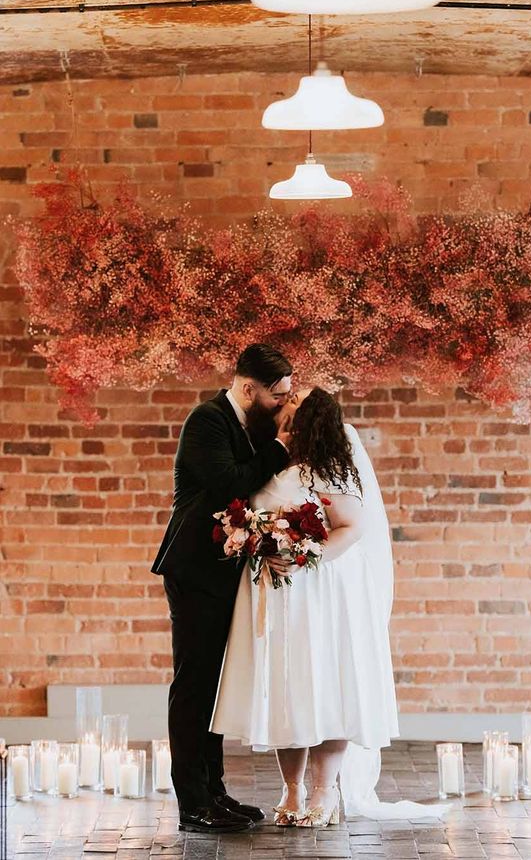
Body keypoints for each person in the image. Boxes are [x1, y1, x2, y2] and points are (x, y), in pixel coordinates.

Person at [211, 387, 449, 826]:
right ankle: (292, 790)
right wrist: (257, 541)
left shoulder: (332, 469)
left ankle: (324, 792)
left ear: (314, 417)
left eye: (296, 398)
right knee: (288, 688)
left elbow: (352, 527)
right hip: (279, 596)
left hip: (322, 592)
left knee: (328, 686)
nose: (287, 400)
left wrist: (303, 558)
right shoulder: (272, 460)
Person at [151, 344, 293, 833]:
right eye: (277, 396)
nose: (281, 405)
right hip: (194, 570)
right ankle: (192, 803)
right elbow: (228, 484)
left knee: (214, 686)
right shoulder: (207, 420)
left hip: (222, 572)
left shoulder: (248, 425)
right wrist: (280, 450)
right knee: (193, 685)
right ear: (248, 388)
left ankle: (215, 791)